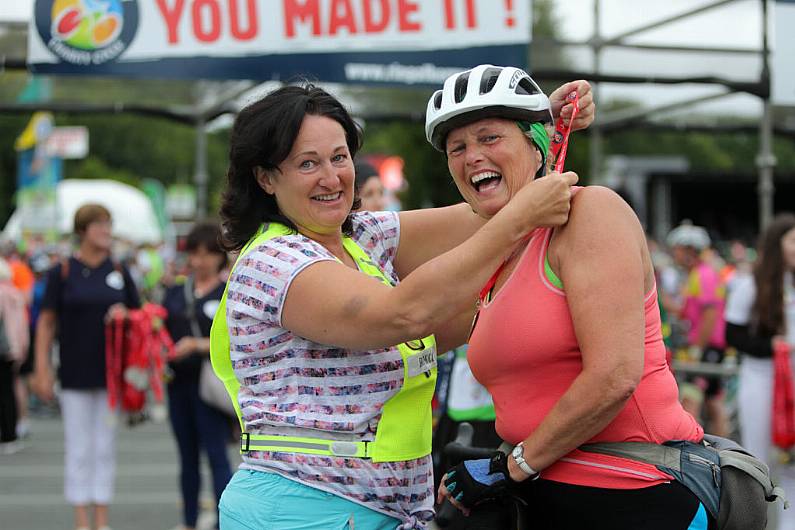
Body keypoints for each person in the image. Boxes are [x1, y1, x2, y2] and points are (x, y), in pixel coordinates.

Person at [212, 78, 592, 529]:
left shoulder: (360, 237)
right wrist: (520, 217)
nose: (332, 178)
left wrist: (532, 132)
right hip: (304, 509)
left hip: (378, 510)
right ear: (265, 177)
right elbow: (404, 314)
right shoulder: (274, 260)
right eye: (307, 164)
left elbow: (485, 209)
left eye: (340, 158)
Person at [428, 65, 707, 529]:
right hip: (545, 494)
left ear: (537, 142)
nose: (473, 155)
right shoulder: (497, 253)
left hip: (633, 492)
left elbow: (614, 376)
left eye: (490, 137)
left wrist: (510, 466)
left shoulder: (591, 212)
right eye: (458, 147)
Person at [32, 204, 140, 530]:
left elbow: (141, 317)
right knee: (78, 447)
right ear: (83, 231)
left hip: (111, 375)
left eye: (108, 223)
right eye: (99, 225)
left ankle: (102, 520)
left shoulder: (120, 271)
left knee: (104, 447)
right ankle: (81, 520)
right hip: (75, 373)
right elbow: (46, 322)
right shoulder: (62, 271)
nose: (106, 231)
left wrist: (126, 316)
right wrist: (41, 369)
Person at [725, 212, 795, 530]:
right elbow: (733, 335)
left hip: (792, 382)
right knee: (760, 458)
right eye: (793, 241)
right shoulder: (751, 285)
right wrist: (773, 347)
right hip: (762, 380)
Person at [161, 222, 233, 530]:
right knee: (186, 456)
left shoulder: (228, 291)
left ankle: (223, 522)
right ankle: (189, 521)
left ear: (219, 257)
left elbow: (235, 340)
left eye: (207, 254)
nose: (200, 260)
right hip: (178, 383)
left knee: (217, 454)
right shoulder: (176, 290)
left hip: (211, 384)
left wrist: (197, 345)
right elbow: (161, 330)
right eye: (194, 253)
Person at [666, 221, 730, 437]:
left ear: (690, 250)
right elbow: (688, 312)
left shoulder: (704, 275)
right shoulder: (696, 274)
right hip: (708, 346)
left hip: (707, 347)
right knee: (713, 402)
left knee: (690, 400)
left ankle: (691, 452)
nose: (674, 254)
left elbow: (710, 316)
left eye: (677, 249)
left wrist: (697, 349)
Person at [0, 257, 29, 454]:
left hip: (3, 348)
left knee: (4, 393)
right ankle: (15, 429)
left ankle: (8, 432)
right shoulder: (15, 293)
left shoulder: (3, 293)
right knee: (10, 390)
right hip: (14, 348)